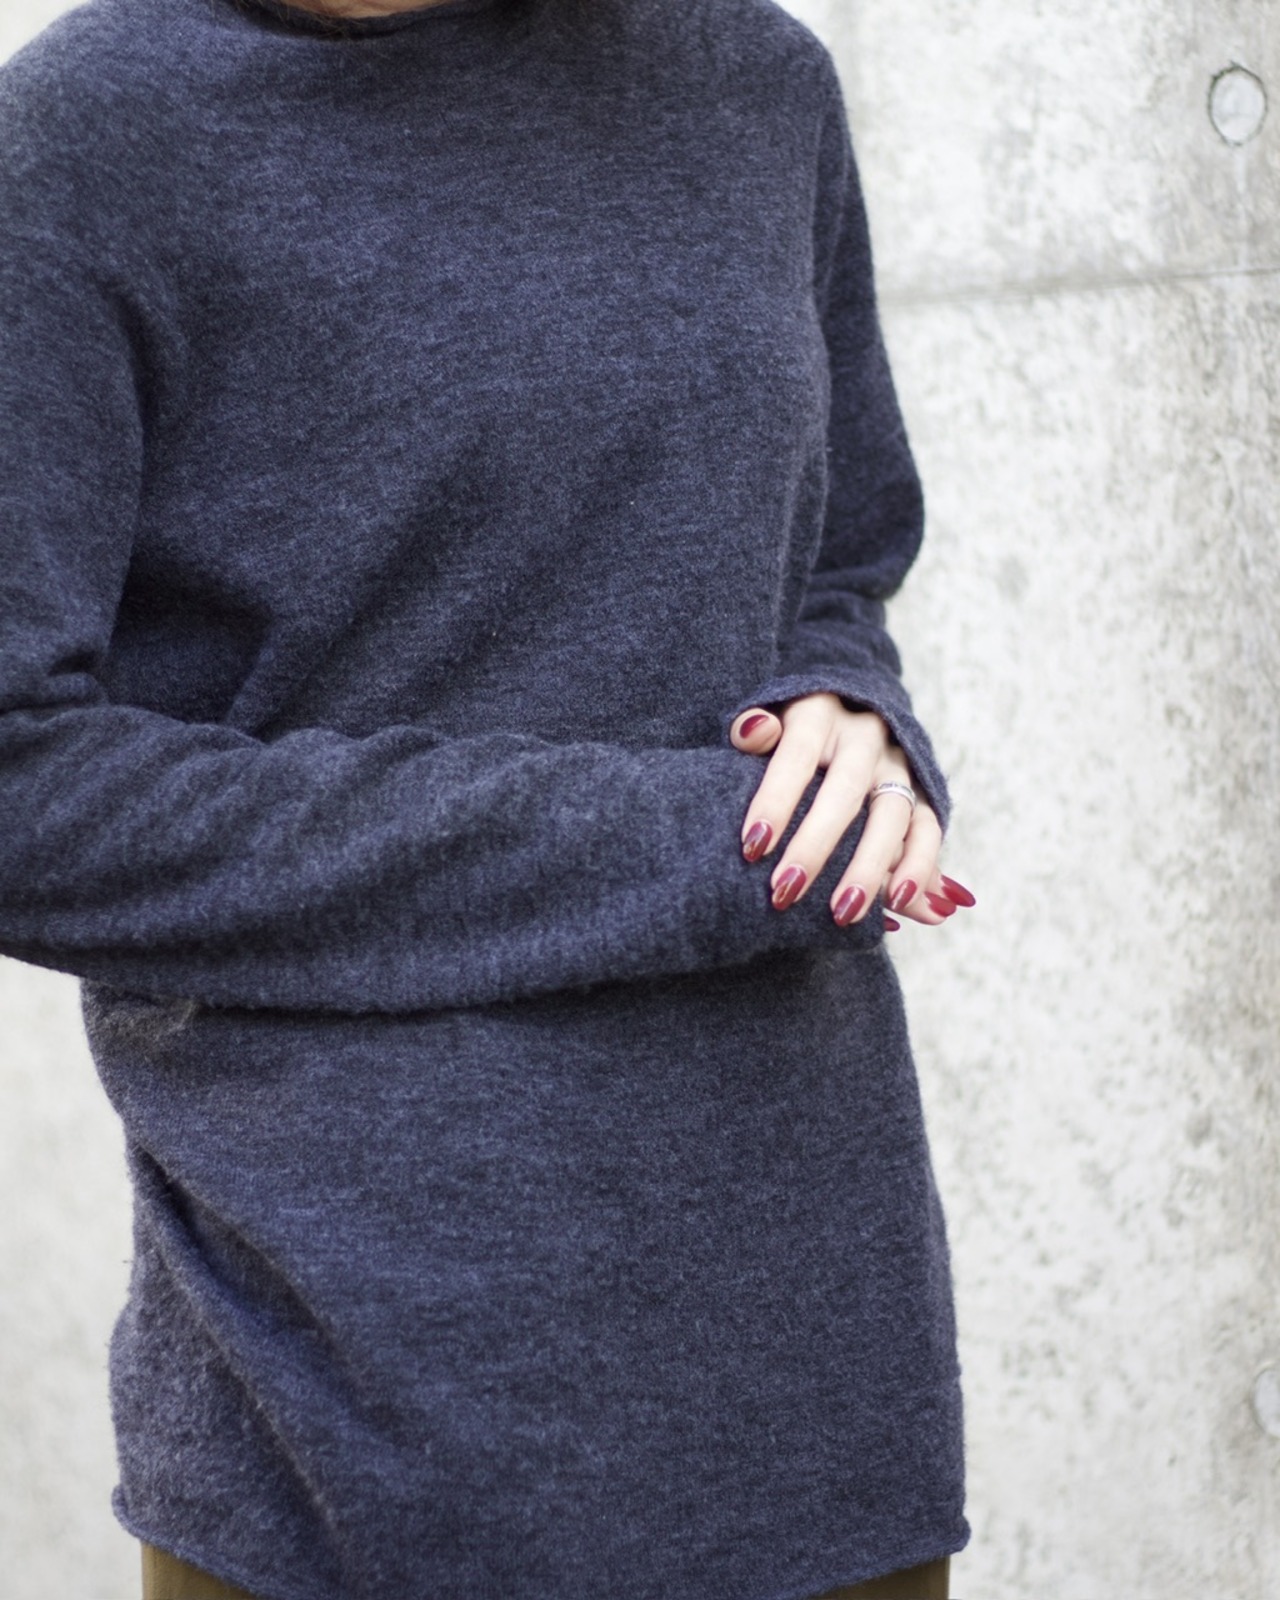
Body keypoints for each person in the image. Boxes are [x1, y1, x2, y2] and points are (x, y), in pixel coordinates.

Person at [0, 0, 976, 1595]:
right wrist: (678, 845)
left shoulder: (755, 80)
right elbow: (22, 789)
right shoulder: (91, 131)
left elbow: (837, 557)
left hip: (805, 1335)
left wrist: (850, 711)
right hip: (344, 1380)